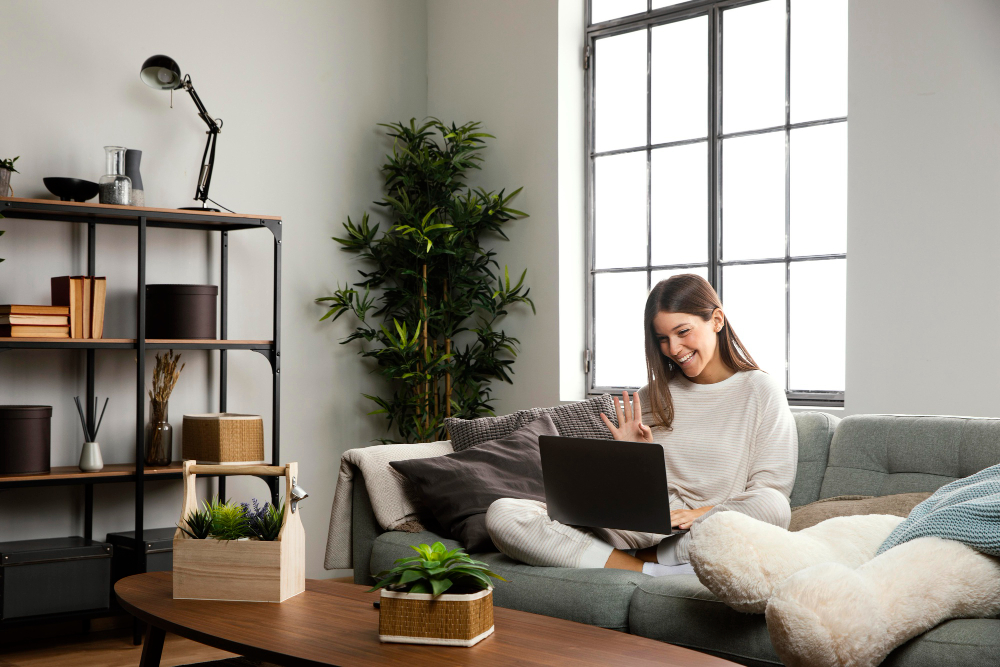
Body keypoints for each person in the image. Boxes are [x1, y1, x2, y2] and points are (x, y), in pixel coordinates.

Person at [485, 273, 798, 576]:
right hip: (639, 526)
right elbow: (631, 495)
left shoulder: (760, 390)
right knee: (503, 514)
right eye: (662, 339)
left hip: (708, 527)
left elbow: (771, 490)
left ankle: (625, 558)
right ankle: (645, 568)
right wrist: (632, 460)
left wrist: (700, 514)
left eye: (683, 332)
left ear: (716, 320)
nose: (673, 349)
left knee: (773, 506)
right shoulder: (652, 396)